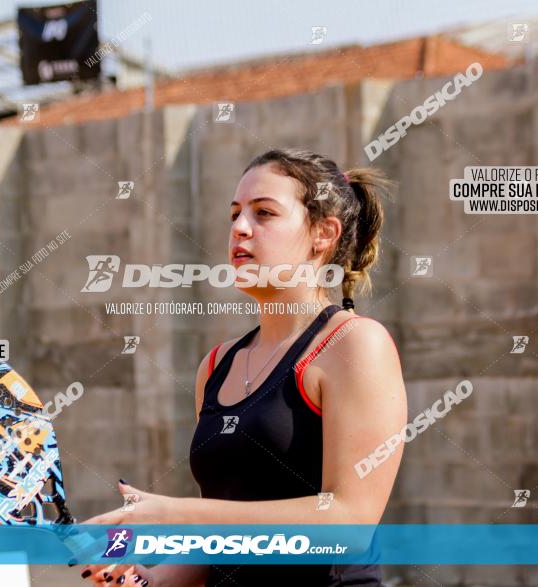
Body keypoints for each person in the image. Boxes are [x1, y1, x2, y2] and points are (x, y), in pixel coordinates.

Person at [80, 148, 407, 586]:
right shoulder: (216, 365)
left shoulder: (354, 344)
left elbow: (349, 524)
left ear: (323, 234)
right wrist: (151, 580)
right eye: (235, 213)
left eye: (264, 213)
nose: (239, 228)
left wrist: (173, 512)